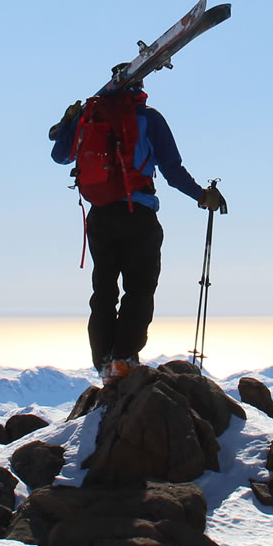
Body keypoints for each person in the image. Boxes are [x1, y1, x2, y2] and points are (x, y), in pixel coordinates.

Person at [49, 74, 226, 384]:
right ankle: (123, 359)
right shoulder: (148, 118)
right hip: (138, 213)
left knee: (104, 290)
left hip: (99, 216)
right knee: (139, 288)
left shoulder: (89, 119)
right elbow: (172, 170)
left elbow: (60, 156)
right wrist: (202, 196)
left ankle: (104, 363)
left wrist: (68, 123)